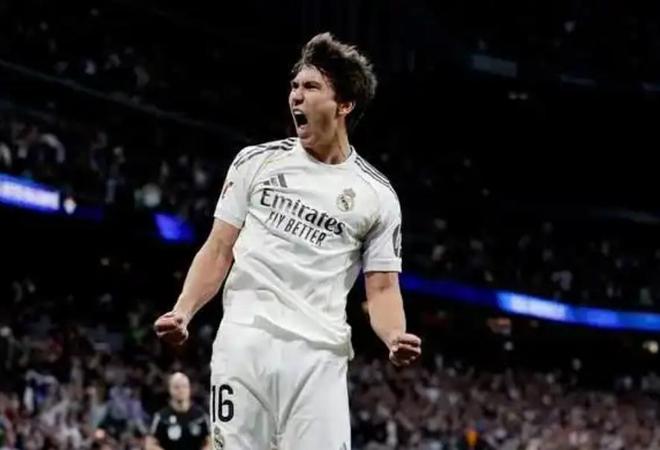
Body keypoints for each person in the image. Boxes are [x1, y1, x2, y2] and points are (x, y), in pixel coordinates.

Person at [154, 32, 422, 450]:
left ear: (344, 104)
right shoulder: (255, 162)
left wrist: (394, 335)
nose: (296, 95)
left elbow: (383, 288)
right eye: (295, 85)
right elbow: (218, 248)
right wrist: (184, 310)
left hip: (319, 358)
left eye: (311, 87)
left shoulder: (377, 195)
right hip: (244, 342)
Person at [146, 372, 210, 450]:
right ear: (169, 389)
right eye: (176, 387)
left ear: (189, 389)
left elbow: (212, 442)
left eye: (184, 386)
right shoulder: (161, 417)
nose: (181, 390)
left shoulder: (201, 416)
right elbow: (150, 445)